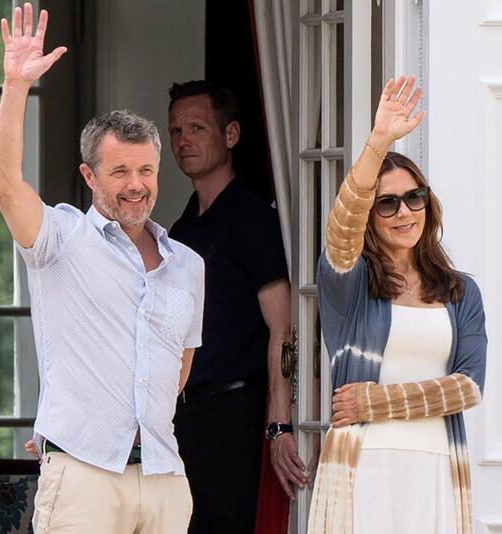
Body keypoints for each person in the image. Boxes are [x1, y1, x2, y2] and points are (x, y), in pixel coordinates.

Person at [0, 4, 204, 533]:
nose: (137, 184)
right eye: (121, 171)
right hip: (84, 474)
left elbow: (180, 368)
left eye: (147, 169)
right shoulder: (60, 239)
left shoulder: (188, 265)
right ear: (89, 175)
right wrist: (15, 86)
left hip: (163, 477)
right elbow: (3, 183)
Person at [307, 76, 488, 534]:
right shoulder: (349, 285)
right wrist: (377, 144)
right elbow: (341, 230)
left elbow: (467, 388)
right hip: (361, 466)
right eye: (386, 204)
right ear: (370, 216)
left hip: (436, 466)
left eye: (414, 198)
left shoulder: (460, 291)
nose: (404, 212)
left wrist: (375, 400)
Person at [167, 80, 305, 533]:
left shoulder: (254, 219)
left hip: (238, 414)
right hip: (185, 418)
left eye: (197, 127)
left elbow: (283, 328)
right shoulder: (179, 231)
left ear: (230, 135)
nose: (183, 140)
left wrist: (278, 424)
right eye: (175, 131)